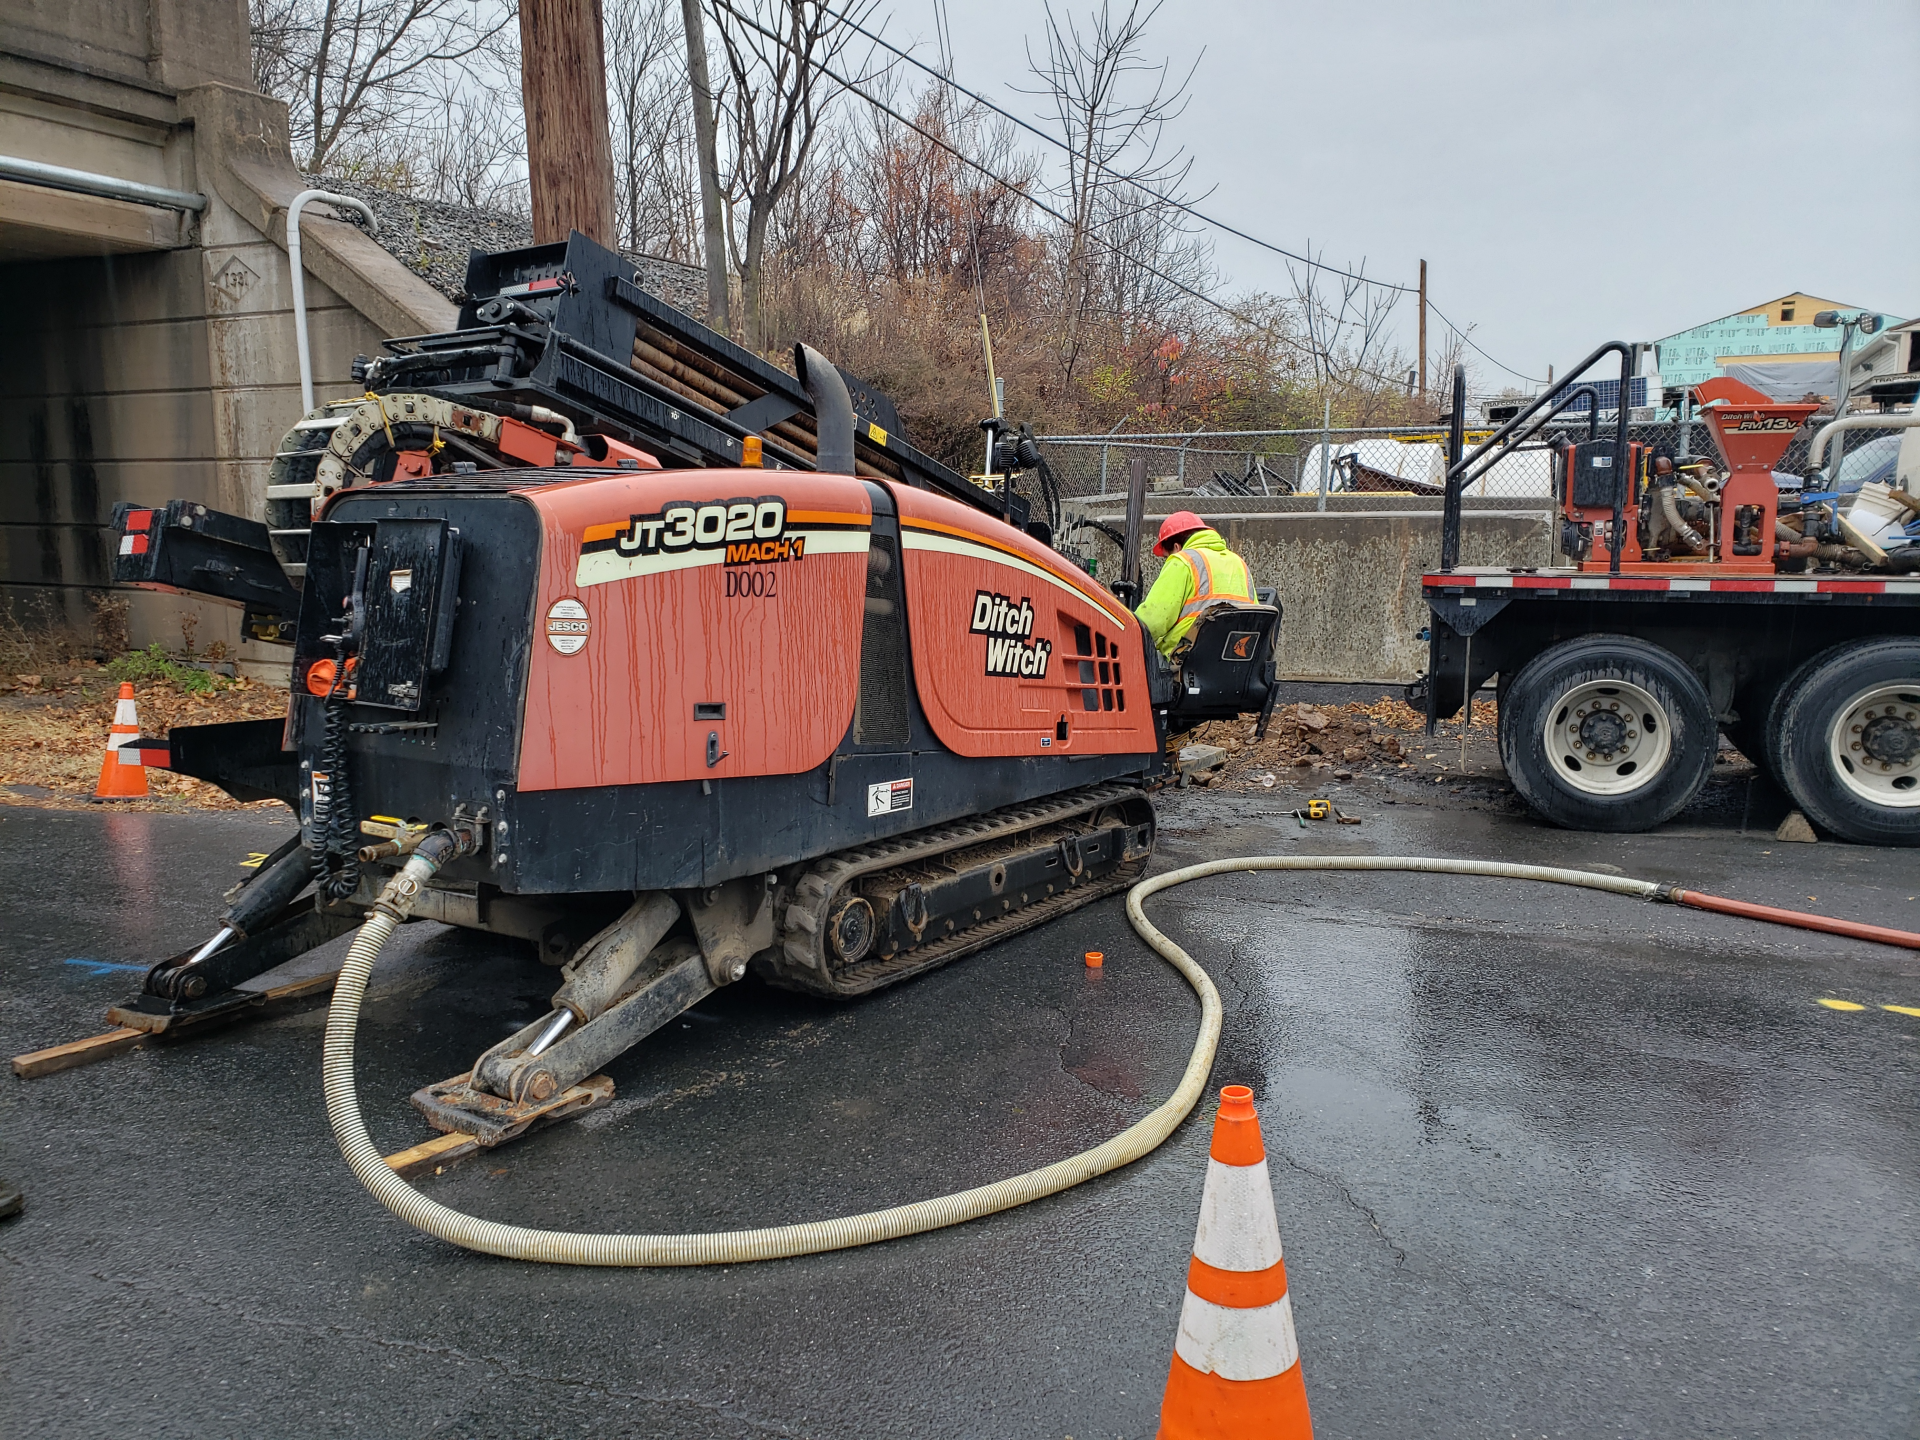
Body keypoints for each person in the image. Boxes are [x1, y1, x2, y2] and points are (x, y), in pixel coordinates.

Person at [1133, 510, 1256, 657]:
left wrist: (1126, 633)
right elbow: (1254, 616)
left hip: (1189, 660)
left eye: (1166, 557)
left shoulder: (1183, 561)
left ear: (1177, 547)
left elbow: (1153, 622)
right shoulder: (1238, 563)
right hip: (1234, 658)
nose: (1167, 561)